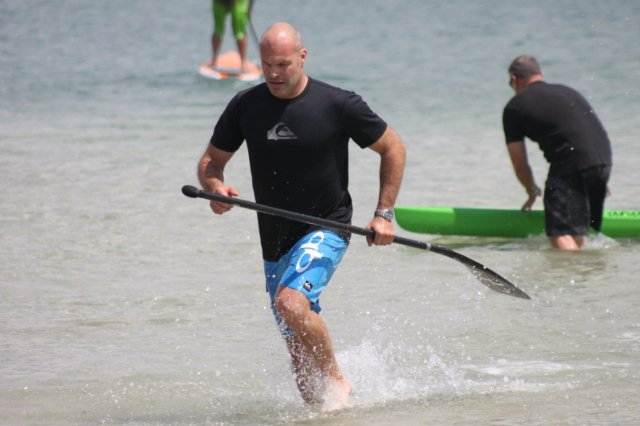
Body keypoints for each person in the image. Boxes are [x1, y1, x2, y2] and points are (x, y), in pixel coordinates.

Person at [196, 22, 406, 411]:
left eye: (283, 64)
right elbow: (212, 160)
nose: (274, 73)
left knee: (291, 304)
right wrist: (215, 187)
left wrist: (383, 214)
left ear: (302, 57)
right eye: (267, 65)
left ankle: (338, 378)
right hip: (275, 238)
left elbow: (393, 147)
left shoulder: (338, 104)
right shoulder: (245, 105)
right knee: (299, 359)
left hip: (328, 226)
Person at [502, 55, 612, 251]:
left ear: (514, 79)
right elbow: (589, 133)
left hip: (572, 163)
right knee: (575, 230)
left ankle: (573, 269)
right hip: (603, 159)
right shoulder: (568, 92)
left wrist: (530, 189)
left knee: (560, 233)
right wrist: (596, 174)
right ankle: (586, 269)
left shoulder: (514, 107)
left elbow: (519, 162)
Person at [206, 0, 252, 75]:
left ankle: (243, 63)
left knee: (239, 32)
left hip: (238, 2)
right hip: (219, 2)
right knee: (218, 30)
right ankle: (213, 61)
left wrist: (249, 7)